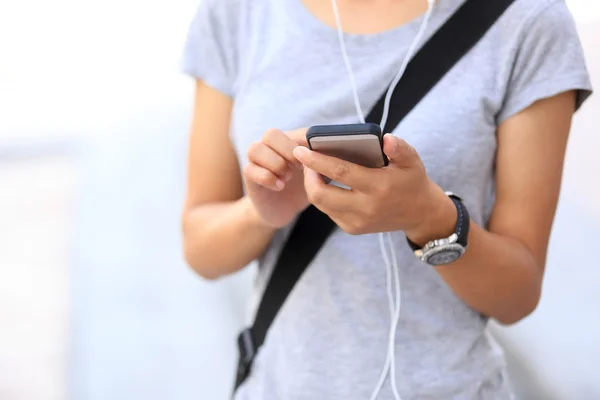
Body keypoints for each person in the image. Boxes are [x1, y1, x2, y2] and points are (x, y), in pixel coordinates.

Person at [179, 0, 592, 398]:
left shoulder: (528, 20)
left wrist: (429, 216)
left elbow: (517, 295)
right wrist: (263, 211)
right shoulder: (237, 11)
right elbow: (200, 248)